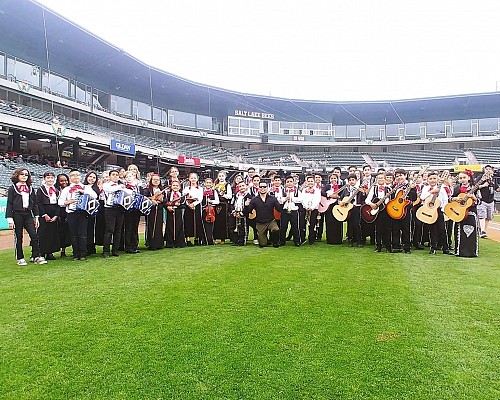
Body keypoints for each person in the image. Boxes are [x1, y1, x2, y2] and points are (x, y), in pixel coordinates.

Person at [6, 168, 46, 266]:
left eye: (26, 175)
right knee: (19, 236)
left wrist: (36, 217)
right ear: (17, 175)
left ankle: (37, 256)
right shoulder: (12, 188)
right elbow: (9, 204)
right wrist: (10, 219)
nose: (24, 176)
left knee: (34, 235)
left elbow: (35, 204)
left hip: (28, 214)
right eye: (22, 174)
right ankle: (20, 257)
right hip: (17, 214)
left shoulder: (31, 188)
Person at [58, 169, 98, 261]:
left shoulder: (86, 187)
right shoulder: (67, 189)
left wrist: (84, 192)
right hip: (71, 213)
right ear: (70, 178)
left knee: (83, 233)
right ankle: (76, 253)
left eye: (77, 175)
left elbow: (95, 196)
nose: (76, 177)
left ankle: (83, 253)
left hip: (83, 213)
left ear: (81, 177)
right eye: (73, 176)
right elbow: (60, 201)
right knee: (73, 234)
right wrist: (67, 202)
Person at [101, 170, 131, 257]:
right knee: (109, 230)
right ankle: (106, 251)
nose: (115, 176)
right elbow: (110, 190)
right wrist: (120, 187)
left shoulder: (121, 185)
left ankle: (115, 250)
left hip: (119, 209)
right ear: (109, 176)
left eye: (117, 175)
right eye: (113, 175)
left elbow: (128, 193)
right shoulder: (106, 185)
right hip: (109, 209)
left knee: (118, 230)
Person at [419, 170, 450, 255]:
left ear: (438, 179)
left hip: (438, 211)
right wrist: (431, 192)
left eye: (434, 178)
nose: (432, 180)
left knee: (442, 230)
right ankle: (433, 248)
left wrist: (443, 210)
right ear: (427, 180)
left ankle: (445, 248)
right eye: (430, 179)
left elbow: (445, 200)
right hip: (429, 211)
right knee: (431, 230)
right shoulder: (425, 188)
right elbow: (422, 197)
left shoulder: (442, 188)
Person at [451, 170, 479, 257]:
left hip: (471, 213)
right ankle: (459, 251)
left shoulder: (474, 188)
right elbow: (450, 199)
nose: (462, 179)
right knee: (459, 232)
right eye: (460, 178)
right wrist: (454, 199)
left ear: (469, 178)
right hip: (459, 213)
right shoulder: (456, 188)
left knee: (472, 232)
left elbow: (479, 200)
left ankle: (472, 252)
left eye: (464, 177)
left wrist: (473, 197)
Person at [247, 181, 282, 248]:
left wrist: (280, 204)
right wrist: (246, 205)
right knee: (262, 244)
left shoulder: (273, 199)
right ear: (258, 188)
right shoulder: (254, 200)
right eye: (261, 187)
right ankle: (266, 240)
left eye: (264, 187)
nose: (262, 188)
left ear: (267, 188)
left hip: (271, 221)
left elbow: (279, 209)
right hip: (260, 223)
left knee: (275, 229)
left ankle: (275, 242)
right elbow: (249, 211)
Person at [365, 171, 392, 252]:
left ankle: (388, 246)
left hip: (386, 211)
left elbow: (390, 200)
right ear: (376, 179)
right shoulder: (374, 188)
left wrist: (385, 202)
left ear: (385, 179)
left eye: (382, 178)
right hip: (377, 211)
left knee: (387, 229)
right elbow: (367, 199)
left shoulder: (389, 189)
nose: (380, 179)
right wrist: (371, 204)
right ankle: (378, 246)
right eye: (379, 178)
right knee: (378, 229)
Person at [36, 171, 60, 260]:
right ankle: (41, 252)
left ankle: (50, 252)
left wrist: (56, 215)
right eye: (48, 178)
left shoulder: (56, 191)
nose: (50, 179)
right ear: (44, 179)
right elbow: (39, 203)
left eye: (52, 178)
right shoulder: (40, 189)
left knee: (52, 233)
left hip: (53, 213)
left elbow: (59, 204)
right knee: (43, 233)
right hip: (44, 212)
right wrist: (44, 214)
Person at [278, 176, 303, 246]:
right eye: (287, 182)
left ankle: (297, 241)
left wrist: (292, 198)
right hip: (285, 210)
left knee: (295, 226)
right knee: (283, 226)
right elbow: (279, 199)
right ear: (285, 183)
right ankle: (282, 241)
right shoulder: (282, 190)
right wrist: (285, 198)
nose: (289, 183)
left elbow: (300, 199)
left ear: (294, 182)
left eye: (291, 182)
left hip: (294, 210)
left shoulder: (297, 190)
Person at [143, 173, 165, 250]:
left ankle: (159, 243)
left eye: (158, 180)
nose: (156, 181)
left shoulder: (162, 190)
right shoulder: (147, 189)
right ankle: (151, 244)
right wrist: (152, 200)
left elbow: (165, 201)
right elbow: (144, 198)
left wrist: (162, 200)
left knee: (159, 226)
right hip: (151, 210)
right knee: (151, 226)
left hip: (159, 209)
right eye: (154, 179)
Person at [477, 165, 498, 238]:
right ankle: (482, 230)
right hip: (482, 200)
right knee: (482, 216)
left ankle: (483, 231)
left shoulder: (493, 179)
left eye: (490, 169)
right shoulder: (481, 177)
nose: (488, 170)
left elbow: (497, 188)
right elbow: (475, 187)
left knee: (488, 217)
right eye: (487, 169)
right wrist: (483, 185)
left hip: (491, 201)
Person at [183, 172, 203, 246]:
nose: (193, 179)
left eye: (195, 178)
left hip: (196, 206)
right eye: (192, 178)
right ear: (189, 179)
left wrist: (193, 204)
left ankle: (196, 238)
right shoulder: (186, 188)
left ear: (197, 179)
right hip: (188, 207)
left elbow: (200, 199)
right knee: (188, 222)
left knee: (197, 222)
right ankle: (187, 239)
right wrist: (189, 204)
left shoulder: (200, 188)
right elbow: (184, 198)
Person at [322, 173, 343, 245]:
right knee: (329, 222)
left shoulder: (341, 187)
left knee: (338, 221)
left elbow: (343, 195)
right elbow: (322, 192)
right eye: (332, 178)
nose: (333, 180)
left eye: (335, 178)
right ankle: (330, 239)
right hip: (329, 206)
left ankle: (338, 240)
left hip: (338, 206)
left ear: (337, 179)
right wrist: (330, 195)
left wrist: (338, 197)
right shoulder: (327, 186)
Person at [123, 170, 141, 254]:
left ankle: (135, 245)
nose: (128, 178)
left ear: (134, 176)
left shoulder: (137, 187)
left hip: (136, 210)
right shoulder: (124, 187)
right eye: (126, 177)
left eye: (130, 176)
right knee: (129, 228)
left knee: (135, 228)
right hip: (128, 210)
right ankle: (128, 246)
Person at [300, 176, 321, 245]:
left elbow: (317, 200)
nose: (310, 183)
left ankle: (311, 239)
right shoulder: (304, 190)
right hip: (305, 209)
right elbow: (302, 199)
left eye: (312, 181)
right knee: (303, 224)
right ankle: (302, 238)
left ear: (314, 182)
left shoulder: (317, 190)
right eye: (309, 181)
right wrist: (306, 206)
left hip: (314, 209)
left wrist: (312, 207)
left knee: (312, 224)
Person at [164, 180, 185, 248]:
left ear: (179, 187)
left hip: (178, 212)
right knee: (170, 227)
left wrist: (179, 205)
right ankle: (170, 243)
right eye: (174, 185)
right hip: (170, 212)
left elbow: (184, 205)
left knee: (179, 226)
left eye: (177, 185)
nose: (175, 187)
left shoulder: (182, 195)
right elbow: (165, 202)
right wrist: (168, 206)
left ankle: (179, 243)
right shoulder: (168, 194)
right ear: (171, 186)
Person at [83, 171, 100, 256]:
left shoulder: (96, 188)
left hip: (91, 211)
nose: (91, 179)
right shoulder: (82, 186)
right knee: (83, 230)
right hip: (82, 211)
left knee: (90, 230)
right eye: (90, 177)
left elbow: (95, 196)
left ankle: (90, 247)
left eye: (94, 178)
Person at [213, 170, 232, 244]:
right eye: (219, 176)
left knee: (223, 221)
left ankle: (223, 238)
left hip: (224, 205)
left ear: (225, 177)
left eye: (222, 176)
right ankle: (215, 238)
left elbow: (229, 196)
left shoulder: (227, 185)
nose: (221, 178)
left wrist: (222, 195)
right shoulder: (215, 185)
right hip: (216, 204)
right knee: (216, 221)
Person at [55, 173, 71, 257]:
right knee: (58, 232)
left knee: (66, 233)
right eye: (62, 181)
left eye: (65, 180)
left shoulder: (70, 189)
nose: (64, 182)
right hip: (58, 213)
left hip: (67, 212)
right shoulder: (55, 190)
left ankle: (63, 250)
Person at [200, 177, 220, 245]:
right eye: (207, 183)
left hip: (211, 210)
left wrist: (211, 201)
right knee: (204, 225)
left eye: (210, 183)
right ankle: (204, 240)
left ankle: (210, 239)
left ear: (212, 184)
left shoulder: (214, 191)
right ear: (204, 183)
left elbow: (217, 201)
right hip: (204, 210)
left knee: (211, 225)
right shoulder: (202, 191)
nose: (208, 184)